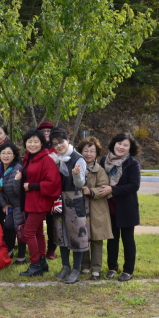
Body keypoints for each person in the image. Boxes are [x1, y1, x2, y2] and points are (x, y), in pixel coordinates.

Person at [16, 129, 62, 277]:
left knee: (28, 232)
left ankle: (35, 264)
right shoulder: (29, 157)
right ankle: (42, 261)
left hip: (39, 201)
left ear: (42, 143)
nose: (32, 144)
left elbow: (53, 182)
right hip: (31, 201)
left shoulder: (46, 159)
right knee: (37, 232)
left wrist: (31, 186)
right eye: (29, 141)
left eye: (36, 141)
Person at [99, 133, 141, 282]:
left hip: (127, 208)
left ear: (130, 148)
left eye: (125, 145)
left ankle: (128, 270)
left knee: (128, 239)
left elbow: (134, 186)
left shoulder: (133, 164)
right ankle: (112, 267)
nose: (121, 147)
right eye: (119, 143)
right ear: (113, 143)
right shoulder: (105, 160)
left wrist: (113, 189)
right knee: (112, 239)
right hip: (109, 206)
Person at [50, 128, 89, 284]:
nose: (59, 146)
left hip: (75, 199)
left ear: (67, 140)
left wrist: (76, 174)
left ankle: (75, 270)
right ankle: (65, 266)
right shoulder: (56, 158)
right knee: (61, 233)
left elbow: (80, 183)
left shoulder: (78, 158)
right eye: (55, 144)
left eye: (61, 142)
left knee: (77, 235)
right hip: (59, 199)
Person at [77, 136, 113, 280]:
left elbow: (103, 188)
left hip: (96, 209)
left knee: (97, 240)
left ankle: (96, 269)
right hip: (80, 208)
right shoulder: (77, 167)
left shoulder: (100, 170)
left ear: (97, 153)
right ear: (81, 152)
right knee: (83, 237)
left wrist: (91, 192)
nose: (88, 154)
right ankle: (85, 266)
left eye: (92, 151)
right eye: (86, 150)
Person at [0, 142, 24, 263]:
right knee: (8, 226)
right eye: (3, 153)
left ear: (14, 155)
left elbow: (18, 192)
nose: (6, 156)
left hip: (20, 203)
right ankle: (9, 250)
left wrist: (17, 181)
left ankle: (21, 256)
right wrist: (4, 204)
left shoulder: (18, 168)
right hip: (9, 204)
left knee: (19, 228)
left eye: (9, 153)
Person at [37, 121, 58, 260]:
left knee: (52, 221)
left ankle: (52, 248)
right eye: (43, 131)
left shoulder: (57, 148)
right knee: (37, 221)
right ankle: (39, 247)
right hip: (37, 189)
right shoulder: (35, 147)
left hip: (53, 189)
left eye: (48, 131)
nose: (46, 133)